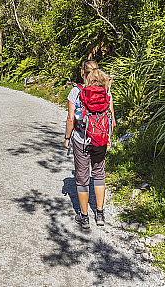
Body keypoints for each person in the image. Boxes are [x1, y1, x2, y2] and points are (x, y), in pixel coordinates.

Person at [64, 61, 115, 230]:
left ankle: (84, 217)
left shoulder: (76, 92)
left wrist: (67, 138)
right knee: (99, 173)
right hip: (100, 140)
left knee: (82, 177)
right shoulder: (106, 92)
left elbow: (71, 118)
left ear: (82, 73)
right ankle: (100, 214)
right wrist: (108, 138)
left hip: (81, 139)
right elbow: (111, 118)